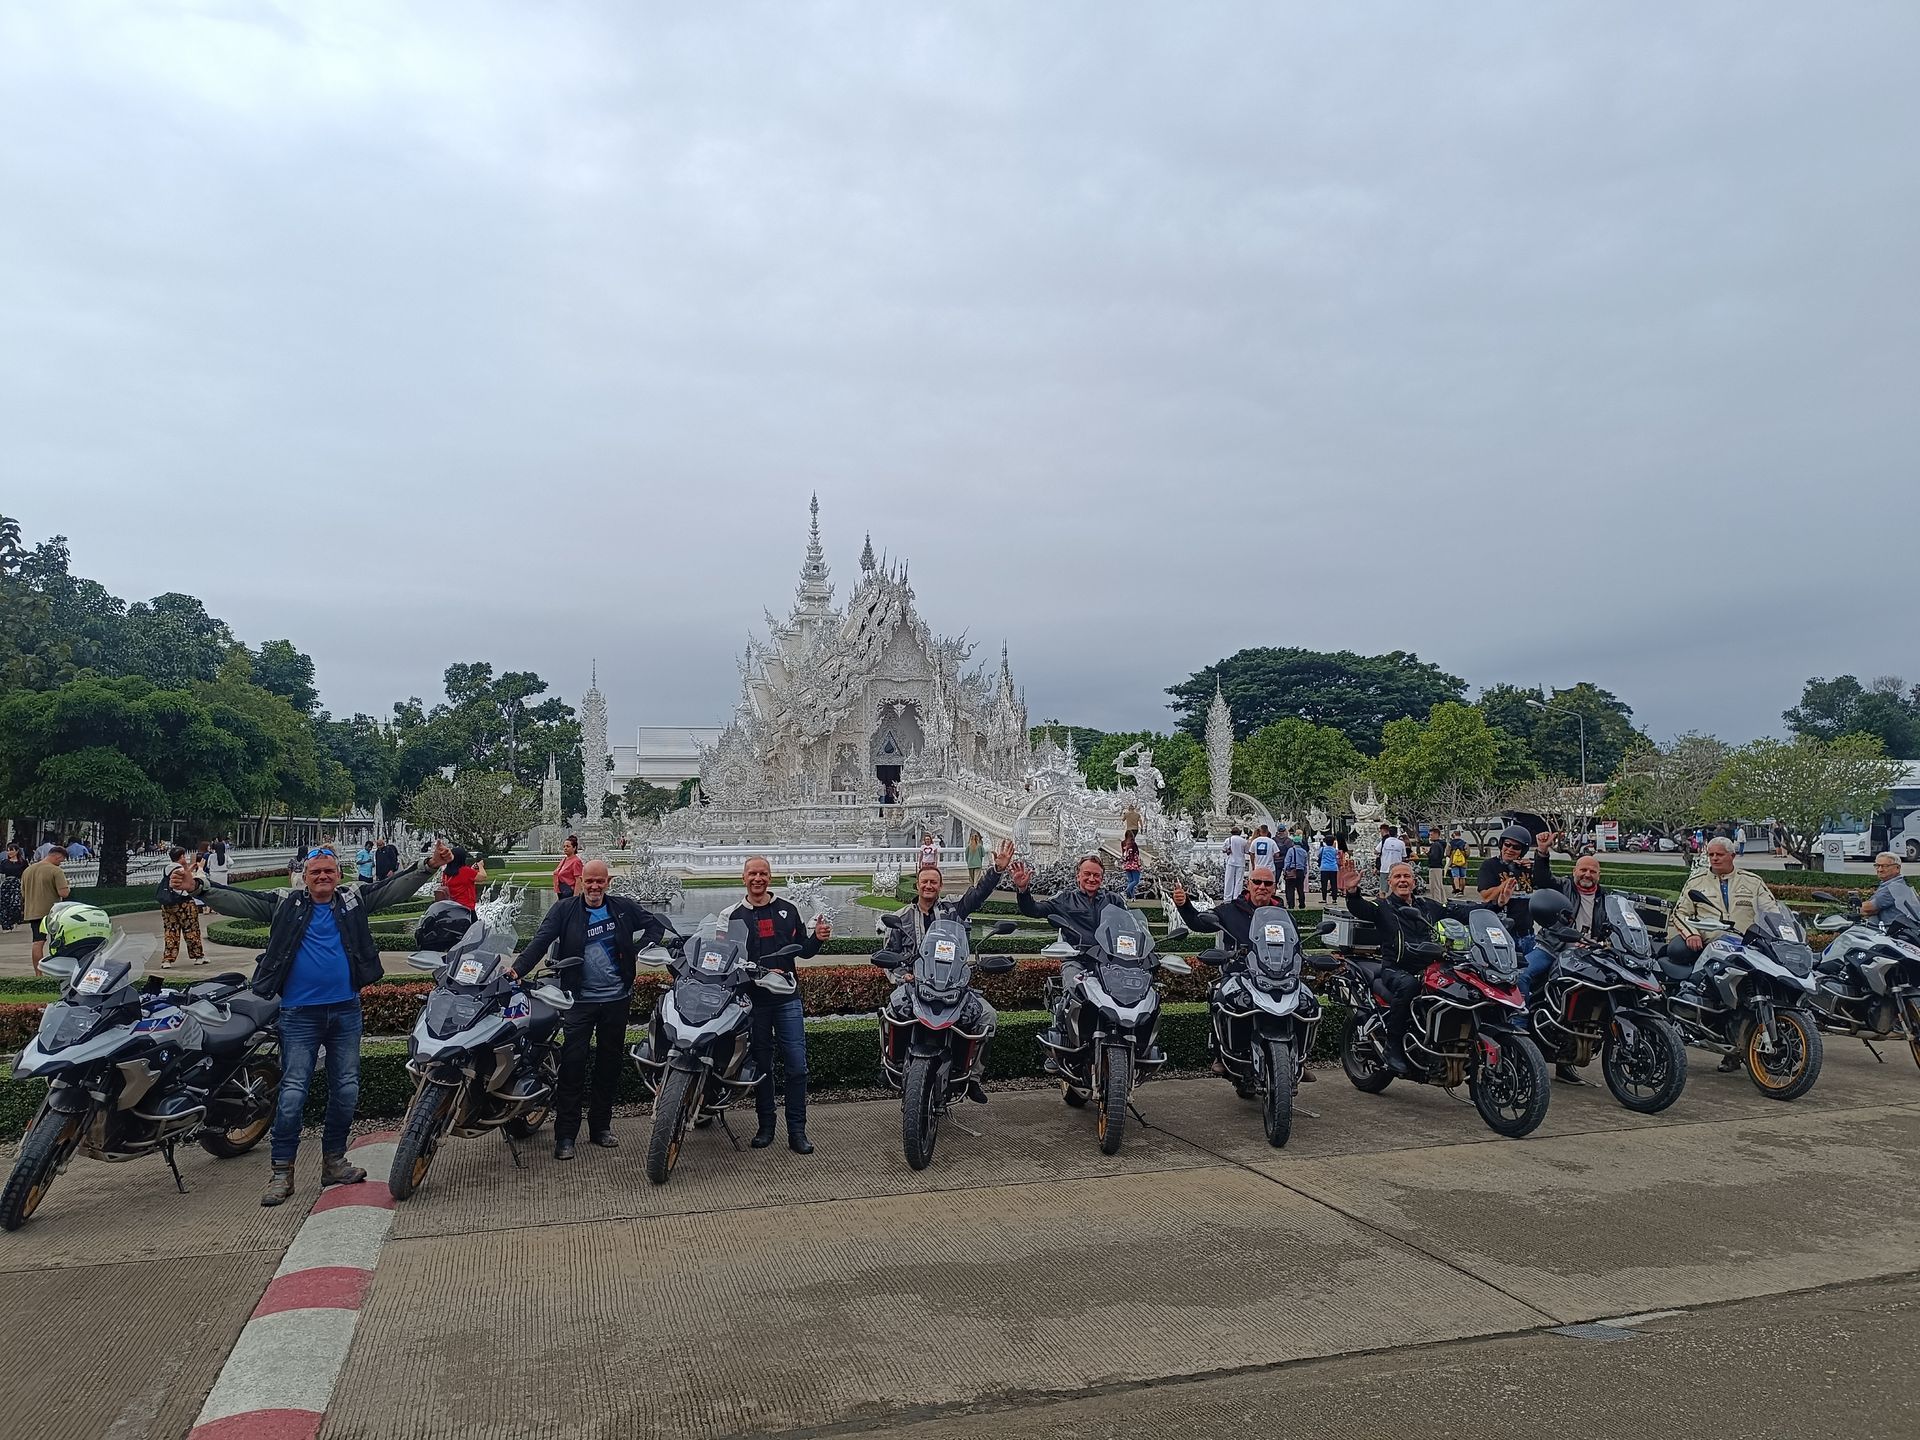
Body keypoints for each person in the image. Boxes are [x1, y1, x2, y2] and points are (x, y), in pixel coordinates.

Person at [167, 840, 452, 1204]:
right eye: (315, 871)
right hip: (299, 1014)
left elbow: (391, 889)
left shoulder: (351, 900)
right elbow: (242, 901)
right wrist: (200, 888)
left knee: (346, 1089)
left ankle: (333, 1161)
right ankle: (281, 1173)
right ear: (304, 876)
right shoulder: (288, 903)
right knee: (292, 1093)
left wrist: (428, 865)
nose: (322, 877)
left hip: (345, 1009)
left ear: (338, 875)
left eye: (328, 871)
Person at [511, 857, 668, 1158]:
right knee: (572, 1067)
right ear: (581, 882)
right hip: (578, 1001)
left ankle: (600, 1128)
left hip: (615, 1000)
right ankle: (565, 1137)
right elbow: (541, 941)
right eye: (589, 881)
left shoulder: (622, 908)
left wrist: (636, 950)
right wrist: (517, 970)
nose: (595, 886)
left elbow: (655, 926)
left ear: (608, 882)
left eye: (600, 881)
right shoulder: (565, 909)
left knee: (608, 1067)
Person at [881, 840, 1015, 1101]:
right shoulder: (901, 917)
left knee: (988, 1017)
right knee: (891, 1011)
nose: (929, 886)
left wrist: (996, 871)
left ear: (940, 886)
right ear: (917, 885)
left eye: (933, 882)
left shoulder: (952, 910)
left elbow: (975, 896)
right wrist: (901, 976)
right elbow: (890, 956)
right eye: (924, 882)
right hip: (914, 985)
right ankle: (891, 1064)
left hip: (951, 985)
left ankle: (973, 1076)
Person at [1171, 867, 1316, 1082]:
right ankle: (1220, 1055)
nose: (1262, 887)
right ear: (1248, 884)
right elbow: (1199, 924)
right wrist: (1184, 906)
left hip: (1278, 975)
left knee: (1308, 1004)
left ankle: (1299, 1060)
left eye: (1268, 883)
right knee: (1219, 997)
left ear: (1274, 887)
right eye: (1257, 882)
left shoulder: (1284, 915)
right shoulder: (1230, 910)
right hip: (1239, 973)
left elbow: (1295, 946)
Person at [730, 856, 831, 1153]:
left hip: (786, 999)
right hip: (755, 1003)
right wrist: (759, 971)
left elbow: (804, 951)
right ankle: (766, 1126)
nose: (757, 878)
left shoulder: (787, 910)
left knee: (797, 1067)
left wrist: (818, 939)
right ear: (744, 878)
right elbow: (731, 961)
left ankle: (797, 1131)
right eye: (752, 874)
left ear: (770, 877)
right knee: (762, 1067)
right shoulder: (735, 916)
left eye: (762, 873)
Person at [1666, 837, 1783, 1071]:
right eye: (1711, 855)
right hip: (1710, 944)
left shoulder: (1752, 882)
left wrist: (1783, 934)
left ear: (1733, 856)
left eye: (1719, 854)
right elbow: (1679, 912)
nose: (1714, 859)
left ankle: (1739, 1045)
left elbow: (1773, 912)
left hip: (1746, 946)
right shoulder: (1697, 882)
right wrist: (1691, 934)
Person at [1010, 852, 1122, 1062]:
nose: (1091, 879)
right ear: (1078, 876)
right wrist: (1023, 890)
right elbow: (1033, 910)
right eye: (1087, 874)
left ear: (1102, 877)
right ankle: (1059, 1043)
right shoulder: (1064, 899)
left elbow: (1131, 927)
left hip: (1110, 962)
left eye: (1096, 875)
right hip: (1077, 959)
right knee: (1071, 990)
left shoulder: (1114, 900)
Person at [1342, 863, 1440, 1074]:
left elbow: (1456, 911)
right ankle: (1393, 1046)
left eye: (1407, 876)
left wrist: (1495, 906)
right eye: (1397, 877)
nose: (1402, 880)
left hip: (1429, 968)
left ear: (1414, 881)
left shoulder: (1427, 906)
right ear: (1390, 882)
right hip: (1395, 969)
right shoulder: (1382, 906)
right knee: (1409, 985)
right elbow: (1361, 908)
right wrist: (1352, 892)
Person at [21, 843, 71, 974]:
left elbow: (23, 893)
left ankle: (38, 974)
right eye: (62, 860)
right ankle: (56, 971)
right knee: (56, 942)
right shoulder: (56, 870)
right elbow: (63, 893)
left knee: (38, 942)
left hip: (32, 911)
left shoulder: (28, 870)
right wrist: (68, 885)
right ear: (57, 856)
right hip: (52, 912)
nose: (61, 863)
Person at [159, 847, 206, 968]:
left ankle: (167, 959)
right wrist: (198, 868)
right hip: (183, 903)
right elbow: (190, 882)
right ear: (181, 857)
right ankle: (198, 955)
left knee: (171, 930)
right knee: (191, 929)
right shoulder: (180, 868)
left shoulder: (167, 868)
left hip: (168, 904)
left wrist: (189, 868)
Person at [1862, 852, 1916, 921]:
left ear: (1897, 868)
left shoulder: (1896, 887)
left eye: (1885, 866)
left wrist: (1866, 909)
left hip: (1890, 929)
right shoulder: (1890, 884)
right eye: (1877, 866)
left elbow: (1867, 908)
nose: (1880, 870)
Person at [0, 842, 25, 931]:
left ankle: (15, 920)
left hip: (17, 884)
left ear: (17, 851)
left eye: (11, 850)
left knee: (15, 904)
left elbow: (25, 874)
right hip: (6, 884)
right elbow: (1, 874)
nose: (9, 852)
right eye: (8, 850)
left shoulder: (22, 863)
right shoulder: (4, 862)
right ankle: (6, 924)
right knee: (5, 904)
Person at [1280, 833, 1310, 909]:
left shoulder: (1290, 850)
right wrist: (1305, 872)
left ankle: (1291, 904)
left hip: (1291, 871)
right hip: (1300, 871)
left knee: (1290, 889)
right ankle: (1302, 904)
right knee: (1300, 888)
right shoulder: (1304, 851)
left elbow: (1287, 861)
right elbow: (1305, 863)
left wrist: (1285, 870)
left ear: (1293, 842)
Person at [553, 835, 583, 900]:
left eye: (568, 846)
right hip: (562, 891)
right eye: (564, 846)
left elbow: (578, 880)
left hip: (569, 892)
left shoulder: (576, 861)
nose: (565, 848)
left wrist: (575, 897)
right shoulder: (564, 859)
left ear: (574, 848)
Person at [1222, 827, 1248, 902]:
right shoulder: (1244, 841)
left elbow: (1224, 850)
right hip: (1240, 862)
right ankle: (1236, 897)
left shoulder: (1228, 840)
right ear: (1239, 832)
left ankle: (1227, 898)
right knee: (1239, 881)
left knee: (1229, 880)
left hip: (1230, 862)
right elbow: (1246, 851)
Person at [1426, 828, 1449, 903]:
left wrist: (1428, 853)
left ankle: (1436, 902)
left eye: (1431, 834)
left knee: (1435, 887)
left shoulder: (1435, 845)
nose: (1430, 836)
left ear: (1436, 835)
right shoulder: (1441, 844)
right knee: (1439, 885)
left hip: (1434, 867)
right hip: (1439, 867)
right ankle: (1443, 901)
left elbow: (1434, 857)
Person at [1316, 835, 1340, 903]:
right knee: (1334, 884)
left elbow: (1318, 855)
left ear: (1325, 842)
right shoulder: (1335, 850)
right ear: (1333, 842)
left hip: (1324, 868)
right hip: (1333, 868)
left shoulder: (1323, 849)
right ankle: (1334, 899)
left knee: (1324, 884)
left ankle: (1324, 899)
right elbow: (1337, 858)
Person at [1121, 829, 1143, 898]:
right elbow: (1136, 854)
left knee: (1130, 881)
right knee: (1136, 881)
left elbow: (1123, 854)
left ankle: (1132, 897)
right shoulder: (1133, 843)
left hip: (1127, 864)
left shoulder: (1123, 843)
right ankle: (1125, 891)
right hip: (1134, 864)